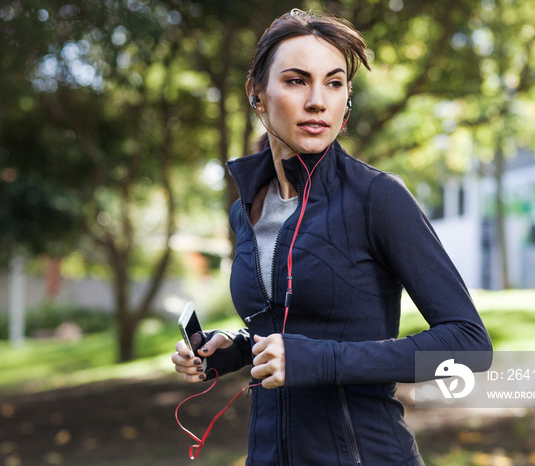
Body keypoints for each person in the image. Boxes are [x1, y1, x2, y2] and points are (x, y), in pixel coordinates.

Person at [172, 9, 492, 465]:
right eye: (297, 80)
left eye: (335, 82)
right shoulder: (246, 210)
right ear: (257, 95)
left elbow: (469, 346)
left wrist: (317, 363)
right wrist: (235, 347)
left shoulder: (377, 198)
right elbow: (292, 325)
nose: (318, 101)